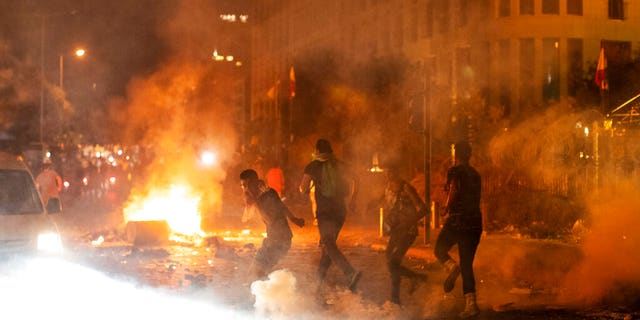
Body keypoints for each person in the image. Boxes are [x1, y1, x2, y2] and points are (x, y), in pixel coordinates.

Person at [299, 138, 361, 292]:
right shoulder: (340, 164)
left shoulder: (313, 165)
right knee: (328, 246)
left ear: (318, 151)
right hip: (340, 210)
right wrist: (353, 199)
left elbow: (303, 187)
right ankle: (318, 282)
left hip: (325, 212)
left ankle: (349, 272)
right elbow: (357, 178)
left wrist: (306, 190)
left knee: (328, 244)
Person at [434, 141, 482, 318]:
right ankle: (472, 304)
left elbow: (453, 187)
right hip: (475, 222)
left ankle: (451, 267)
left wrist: (447, 206)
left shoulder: (455, 171)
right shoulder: (476, 174)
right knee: (467, 264)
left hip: (459, 221)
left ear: (457, 154)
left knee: (439, 248)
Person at [240, 169, 305, 279]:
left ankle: (276, 291)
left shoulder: (265, 196)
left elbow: (271, 218)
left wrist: (255, 200)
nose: (244, 188)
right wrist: (294, 219)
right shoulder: (268, 193)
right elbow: (281, 207)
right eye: (242, 186)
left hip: (278, 242)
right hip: (273, 241)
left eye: (244, 185)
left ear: (251, 182)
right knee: (256, 274)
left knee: (256, 274)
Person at [382, 164, 429, 304]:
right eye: (386, 172)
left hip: (408, 231)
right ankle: (396, 296)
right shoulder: (389, 188)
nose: (388, 174)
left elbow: (424, 209)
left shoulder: (406, 188)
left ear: (397, 171)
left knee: (393, 262)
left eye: (391, 171)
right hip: (397, 230)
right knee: (390, 260)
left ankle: (399, 294)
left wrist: (408, 221)